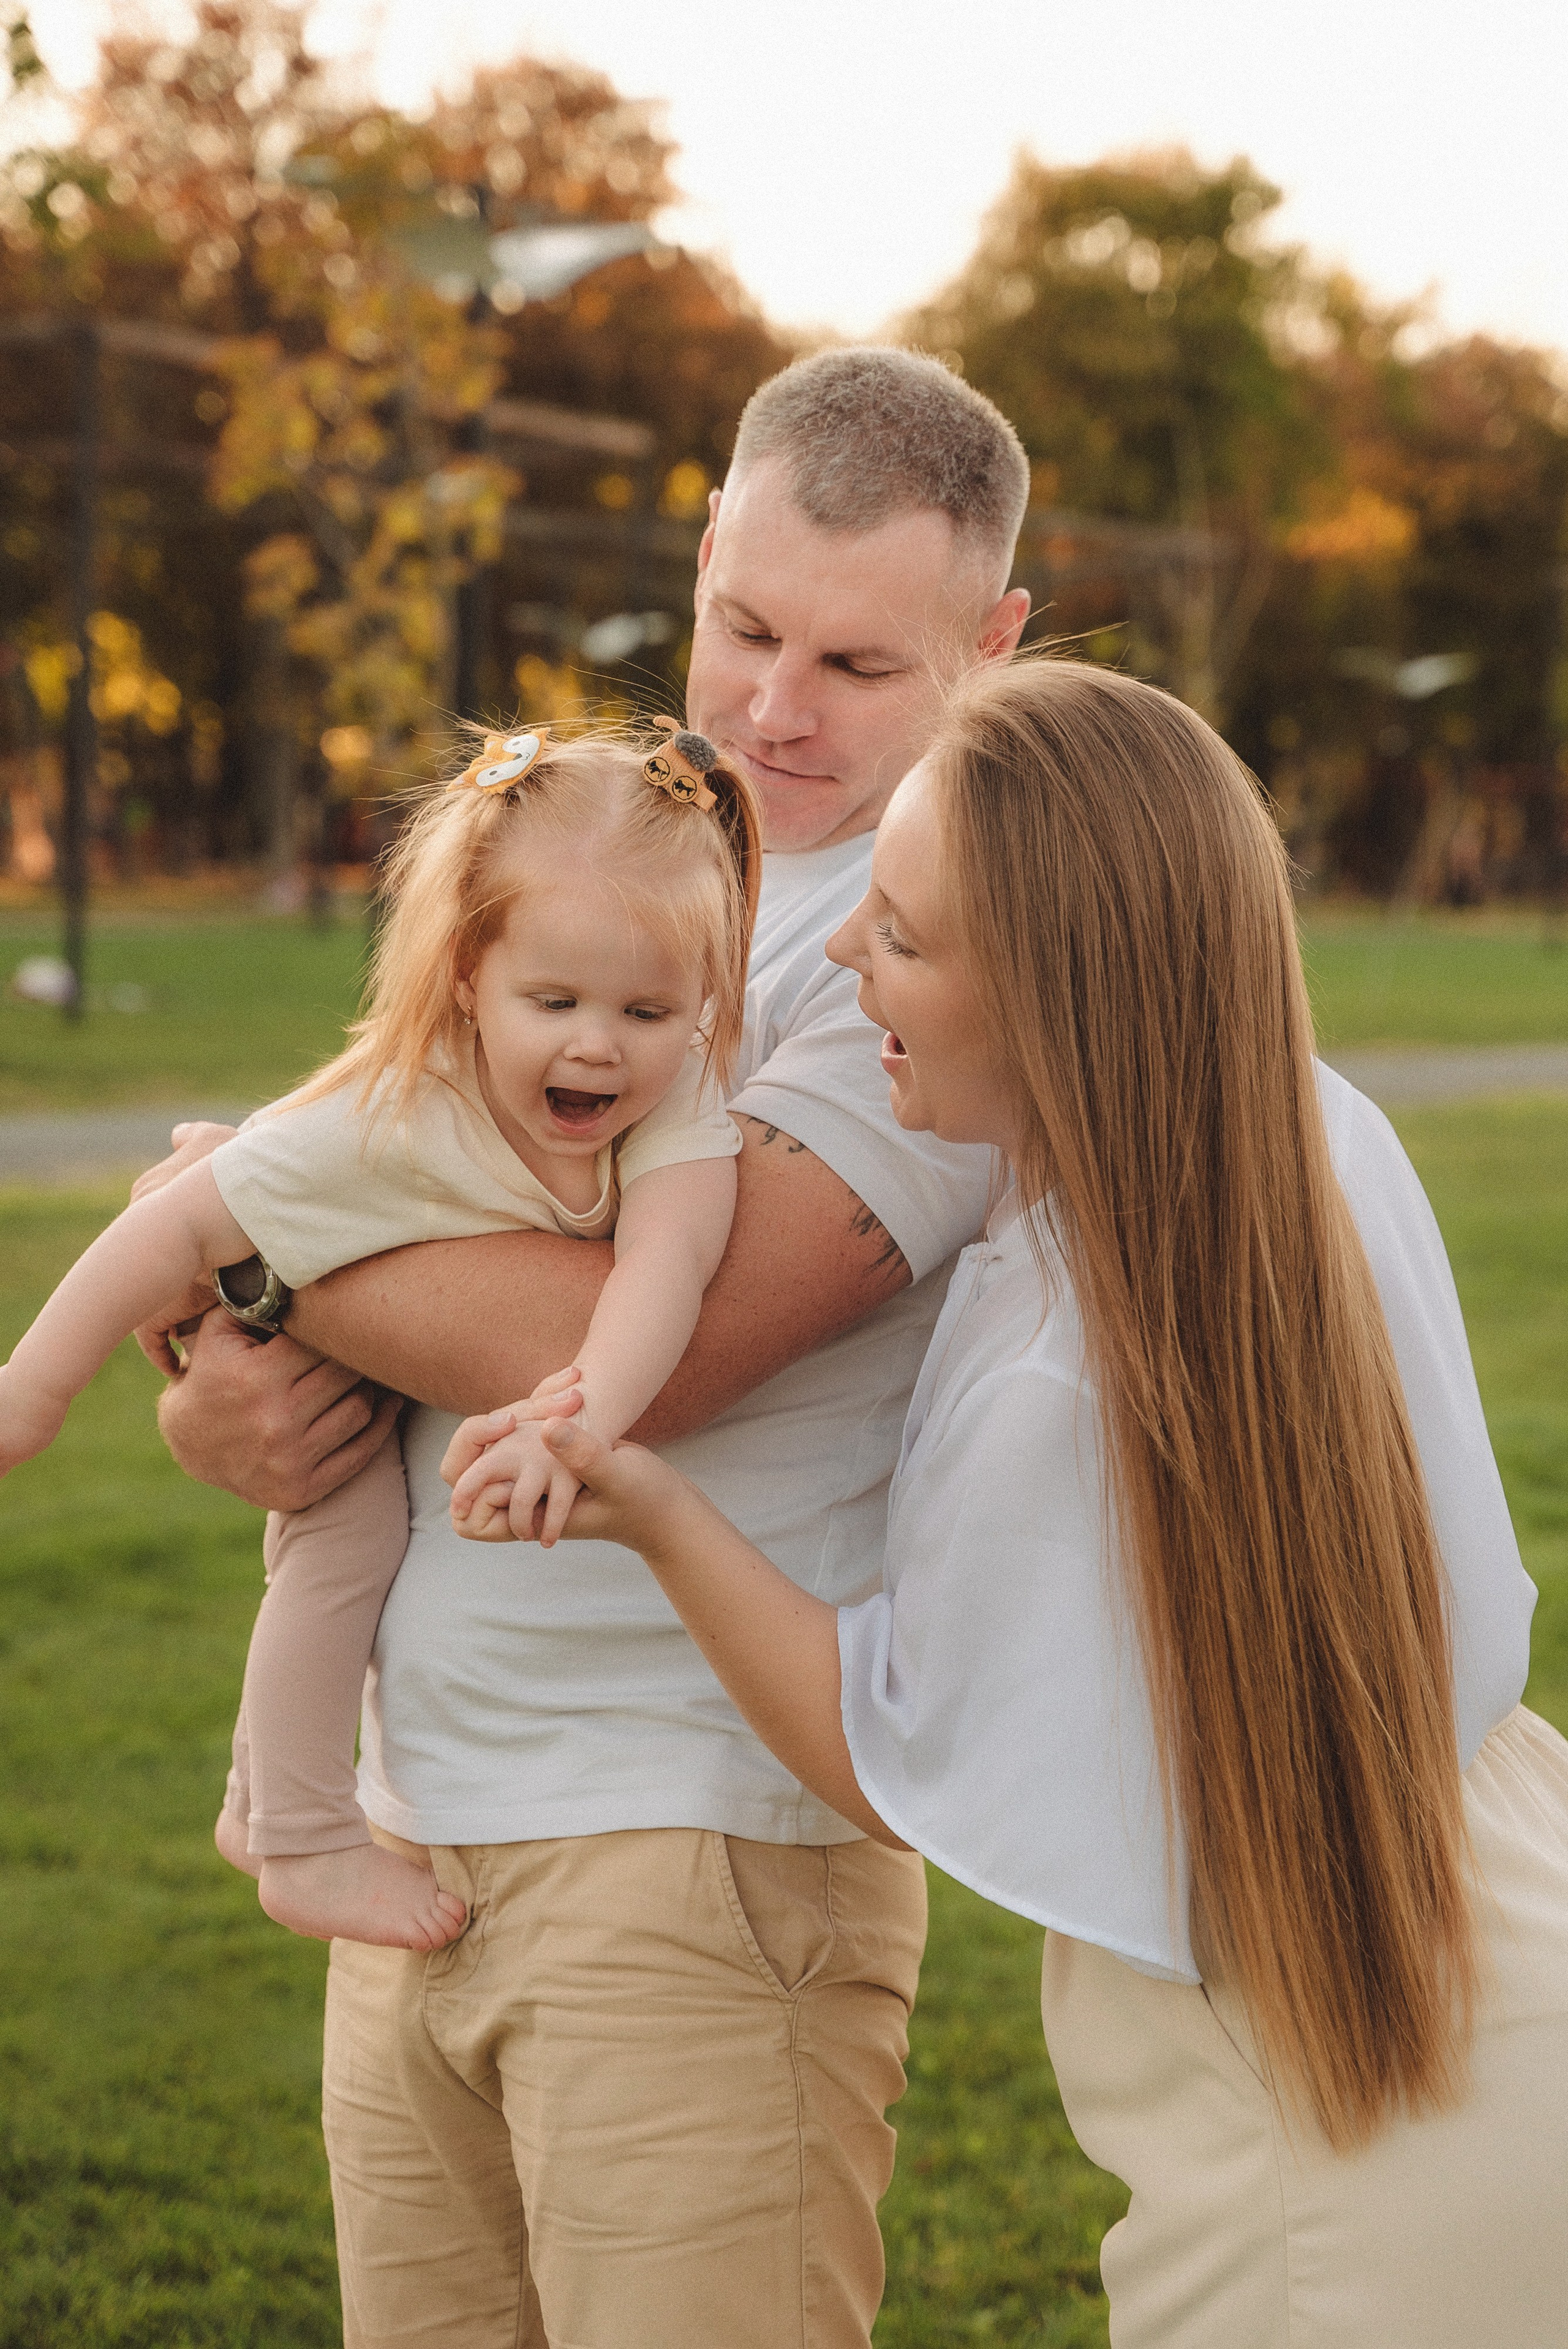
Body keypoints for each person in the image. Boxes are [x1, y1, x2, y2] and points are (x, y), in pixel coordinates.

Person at [138, 349, 1034, 2349]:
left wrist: (238, 1226)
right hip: (408, 1814)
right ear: (703, 548)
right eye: (747, 625)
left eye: (864, 666)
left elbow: (660, 1344)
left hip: (701, 1849)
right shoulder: (592, 850)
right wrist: (216, 1359)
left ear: (994, 644)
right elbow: (359, 1184)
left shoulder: (958, 938)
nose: (780, 707)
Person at [534, 657, 1568, 2349]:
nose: (849, 962)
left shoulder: (1056, 1372)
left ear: (1065, 993)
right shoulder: (1320, 1136)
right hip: (1520, 1915)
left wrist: (649, 1503)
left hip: (1328, 2117)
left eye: (908, 940)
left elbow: (886, 1749)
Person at [0, 723, 761, 1956]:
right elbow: (179, 1217)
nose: (597, 1044)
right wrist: (32, 1392)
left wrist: (575, 1424)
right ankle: (299, 1836)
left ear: (703, 1000)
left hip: (428, 1349)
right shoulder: (398, 1113)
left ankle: (265, 1801)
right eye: (553, 1000)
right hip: (335, 1358)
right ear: (467, 975)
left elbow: (662, 1271)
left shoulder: (678, 1097)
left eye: (646, 1008)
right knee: (342, 1550)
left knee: (352, 1551)